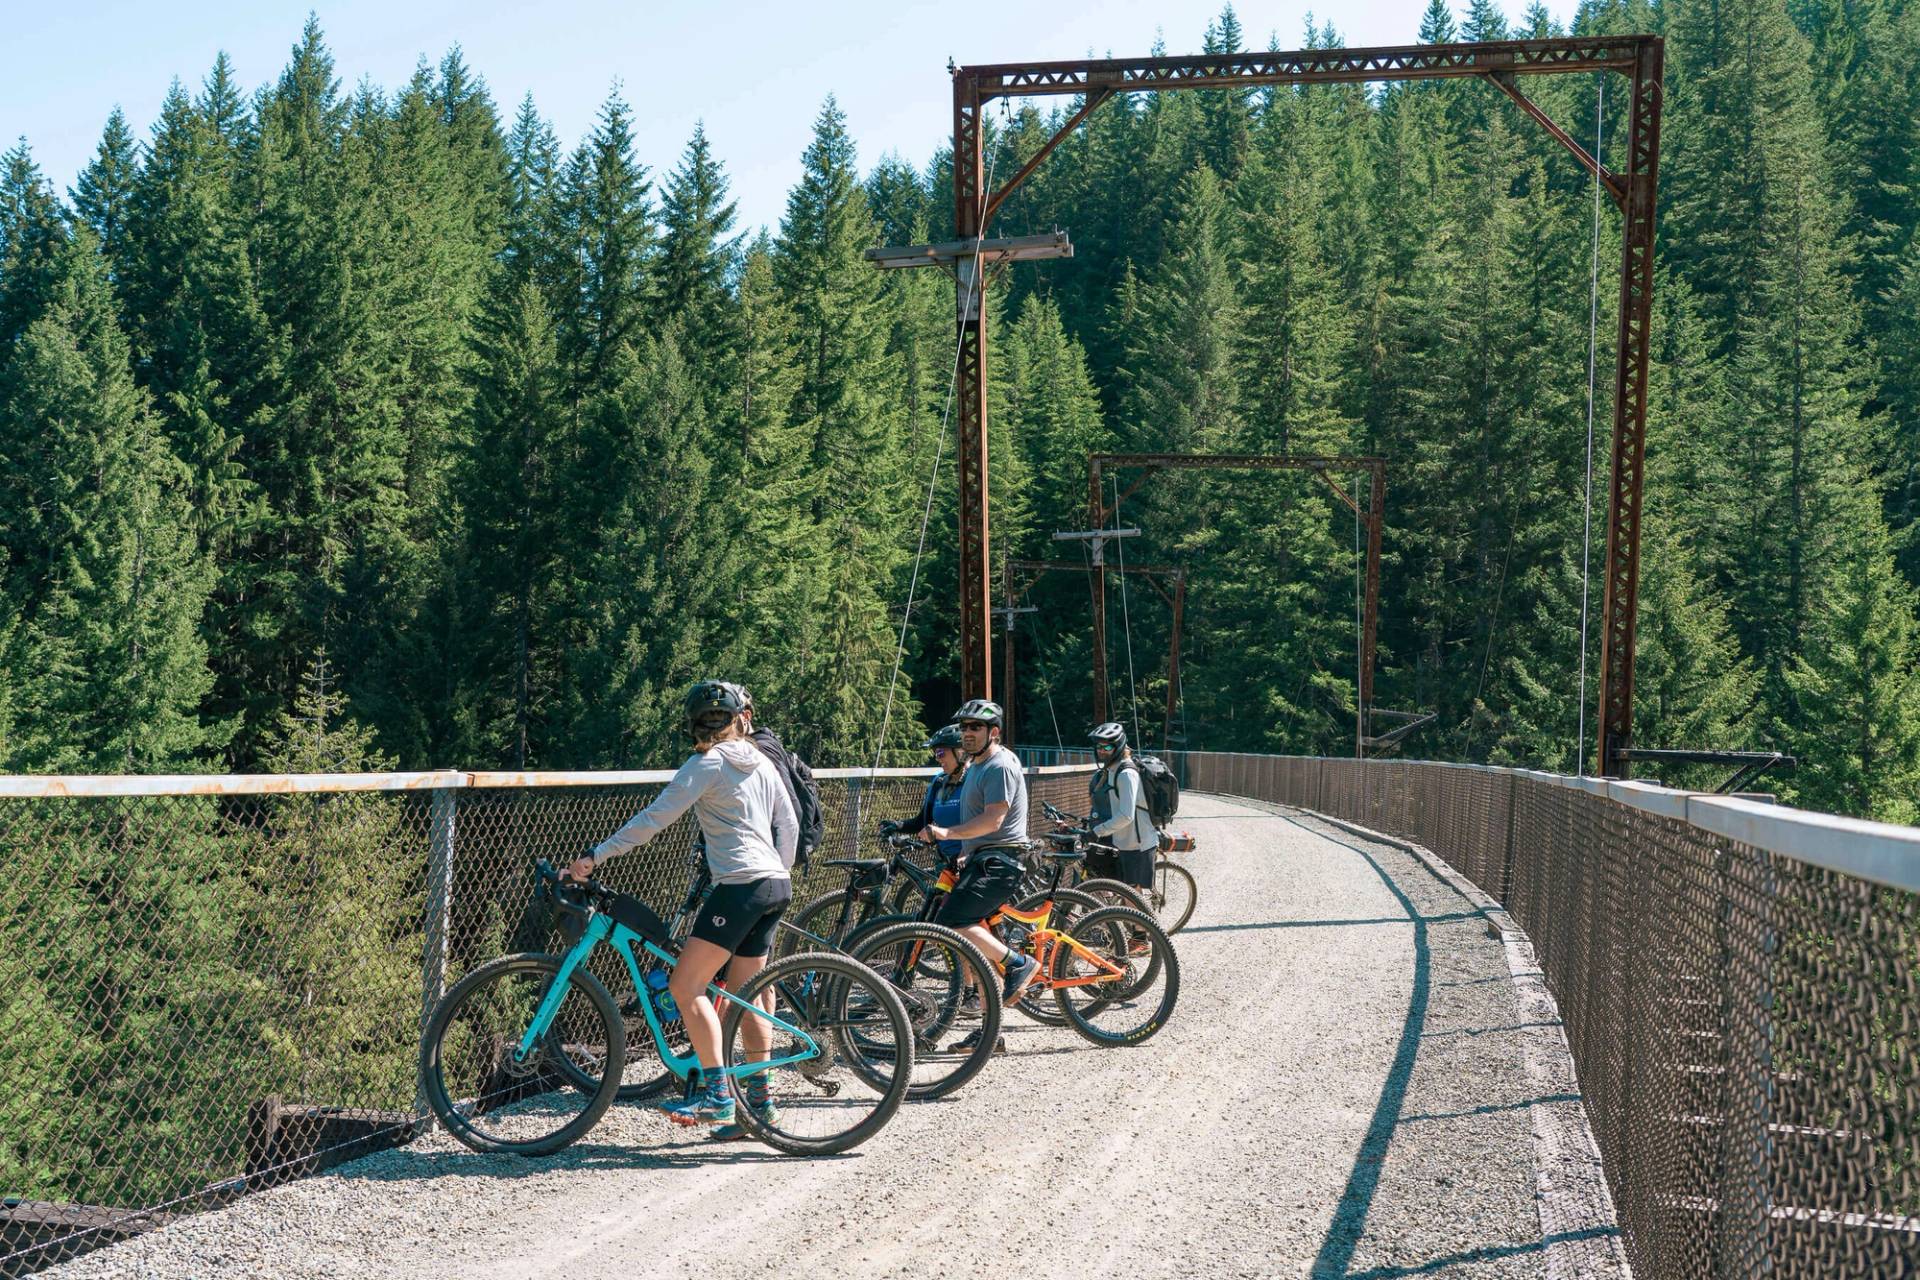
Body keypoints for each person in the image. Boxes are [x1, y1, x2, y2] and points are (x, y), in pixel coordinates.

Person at [567, 680, 797, 1131]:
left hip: (741, 886)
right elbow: (787, 824)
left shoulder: (705, 765)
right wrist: (776, 871)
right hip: (774, 883)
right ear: (739, 720)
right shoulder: (763, 764)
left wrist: (595, 857)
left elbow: (651, 820)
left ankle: (718, 1097)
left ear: (693, 725)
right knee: (747, 998)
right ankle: (760, 1106)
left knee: (684, 986)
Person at [920, 699, 1039, 1010]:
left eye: (976, 727)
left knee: (952, 920)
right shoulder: (977, 765)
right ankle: (990, 1033)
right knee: (983, 950)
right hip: (984, 859)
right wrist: (963, 848)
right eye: (964, 727)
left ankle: (1018, 963)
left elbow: (993, 819)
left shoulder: (999, 765)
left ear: (994, 732)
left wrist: (948, 834)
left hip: (1001, 861)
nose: (967, 733)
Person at [881, 724, 968, 864]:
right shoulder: (939, 782)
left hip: (971, 862)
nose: (938, 759)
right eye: (936, 754)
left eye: (941, 753)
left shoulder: (976, 780)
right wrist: (897, 825)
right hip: (945, 862)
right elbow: (921, 822)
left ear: (960, 752)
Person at [1086, 721, 1157, 890]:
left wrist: (1097, 831)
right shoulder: (1110, 770)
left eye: (1107, 747)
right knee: (1114, 890)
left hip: (1136, 843)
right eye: (1099, 747)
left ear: (1117, 747)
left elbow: (1126, 815)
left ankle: (1141, 917)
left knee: (1131, 898)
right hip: (1121, 841)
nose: (1101, 751)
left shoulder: (1126, 774)